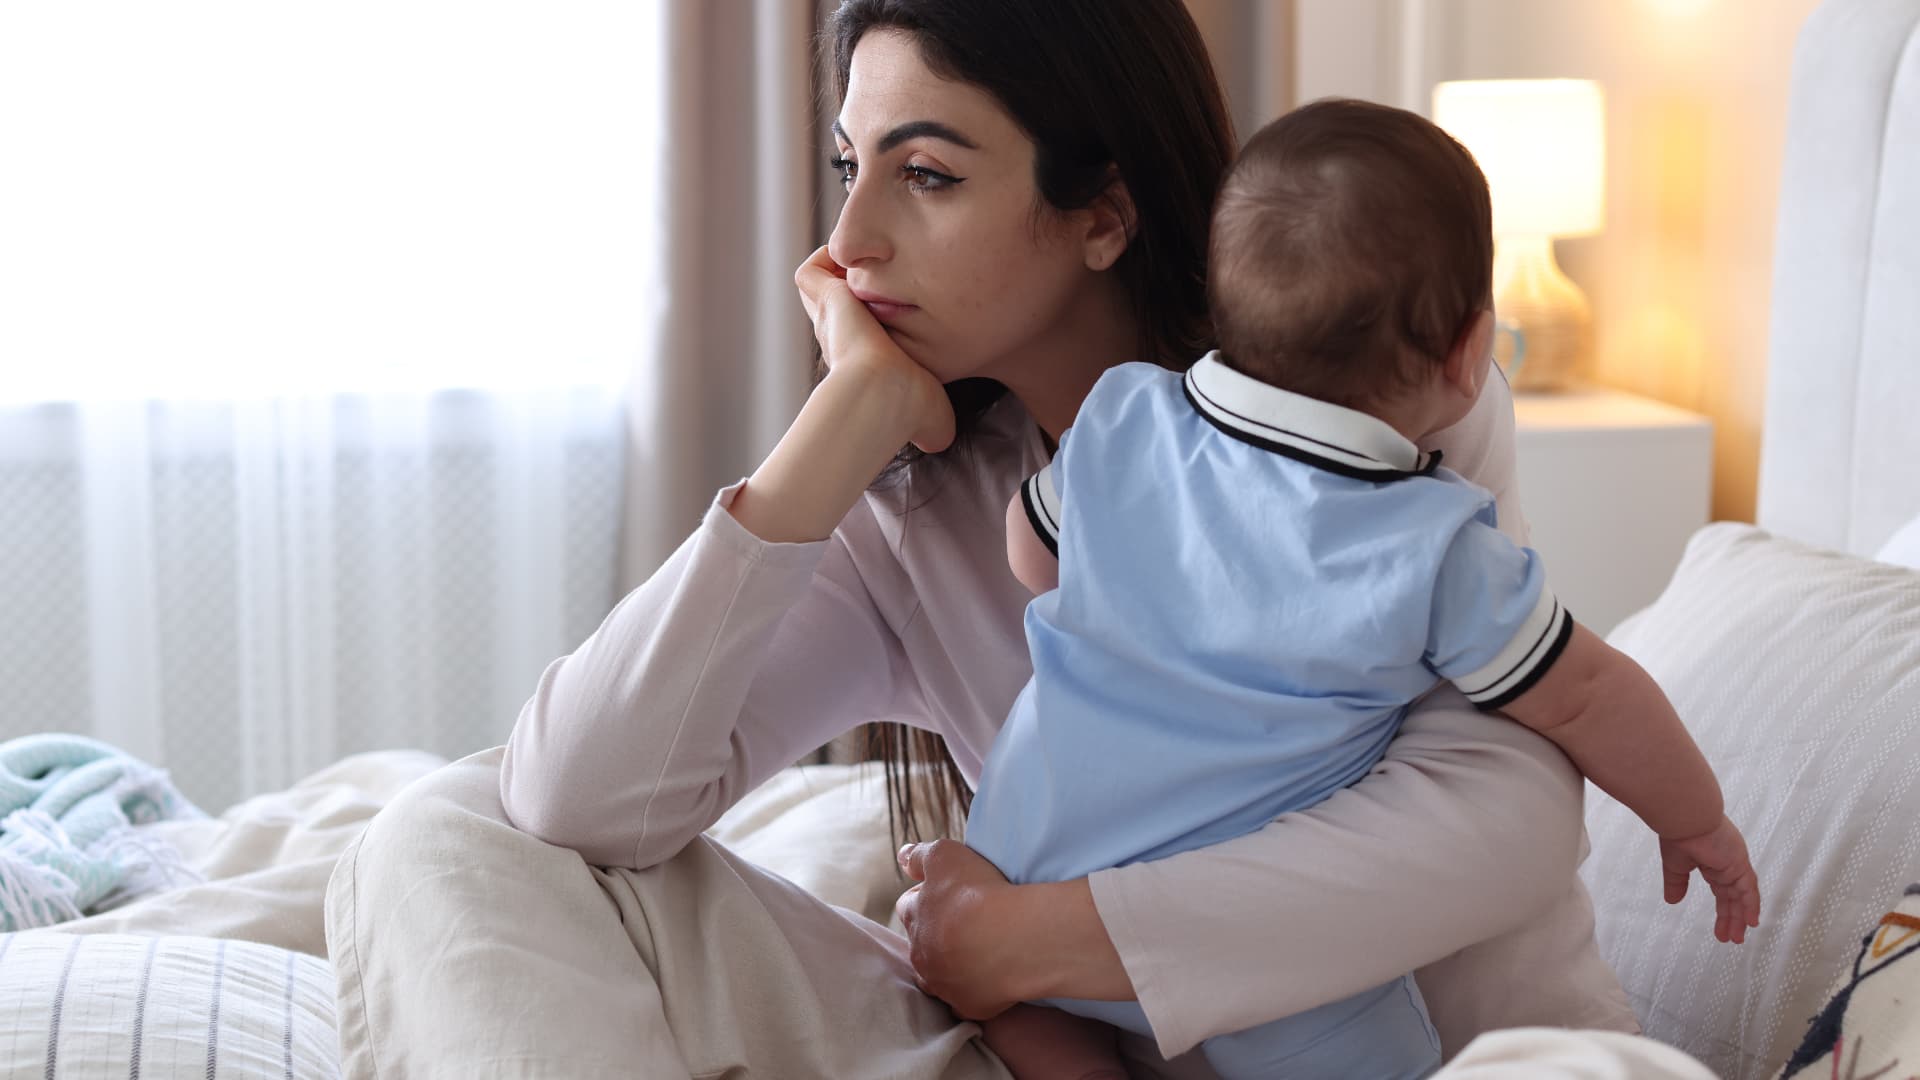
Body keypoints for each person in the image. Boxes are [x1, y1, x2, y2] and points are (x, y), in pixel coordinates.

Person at [322, 2, 1639, 1076]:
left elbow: (1508, 817)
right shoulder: (914, 505)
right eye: (852, 166)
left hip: (1445, 1058)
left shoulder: (1365, 406)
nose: (850, 245)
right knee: (445, 831)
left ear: (1103, 215)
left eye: (930, 176)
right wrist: (840, 424)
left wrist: (1044, 941)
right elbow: (578, 800)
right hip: (1044, 1051)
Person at [966, 99, 1761, 1080]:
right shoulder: (1432, 543)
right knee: (1371, 1048)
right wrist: (1698, 820)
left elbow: (1030, 554)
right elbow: (1591, 695)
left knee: (1037, 1019)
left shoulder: (1125, 412)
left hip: (1020, 850)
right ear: (1471, 354)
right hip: (1218, 912)